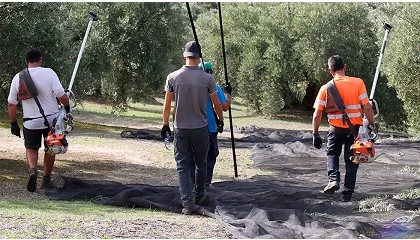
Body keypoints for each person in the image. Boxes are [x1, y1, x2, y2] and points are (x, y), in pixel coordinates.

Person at [161, 41, 223, 215]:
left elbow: (167, 106)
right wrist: (220, 120)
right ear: (199, 57)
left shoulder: (173, 77)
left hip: (180, 127)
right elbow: (216, 103)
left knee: (182, 165)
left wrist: (165, 124)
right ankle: (200, 194)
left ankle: (187, 204)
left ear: (185, 56)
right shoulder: (207, 78)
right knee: (201, 163)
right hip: (201, 127)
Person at [312, 55, 375, 202]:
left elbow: (317, 114)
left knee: (332, 154)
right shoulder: (358, 82)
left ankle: (333, 179)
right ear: (345, 67)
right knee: (353, 160)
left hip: (335, 130)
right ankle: (347, 194)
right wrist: (372, 124)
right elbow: (367, 106)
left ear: (330, 70)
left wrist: (315, 133)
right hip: (355, 132)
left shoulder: (325, 88)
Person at [7, 48, 71, 192]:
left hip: (30, 121)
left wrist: (13, 123)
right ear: (40, 60)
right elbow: (61, 95)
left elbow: (11, 103)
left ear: (26, 61)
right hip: (53, 121)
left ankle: (32, 171)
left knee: (31, 148)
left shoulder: (18, 77)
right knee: (51, 148)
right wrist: (67, 109)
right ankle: (46, 180)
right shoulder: (49, 72)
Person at [190, 61, 231, 188]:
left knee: (192, 156)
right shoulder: (214, 86)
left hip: (191, 126)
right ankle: (205, 184)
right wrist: (228, 93)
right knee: (210, 155)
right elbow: (223, 106)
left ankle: (192, 184)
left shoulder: (190, 85)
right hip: (209, 127)